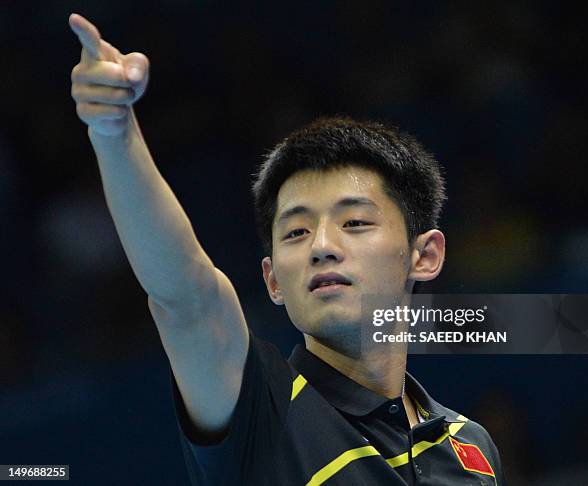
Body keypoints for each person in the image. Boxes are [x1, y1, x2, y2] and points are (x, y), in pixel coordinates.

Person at [69, 13, 505, 485]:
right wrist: (114, 134)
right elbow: (187, 298)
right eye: (295, 233)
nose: (321, 246)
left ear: (425, 256)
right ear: (273, 278)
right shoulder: (259, 408)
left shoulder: (471, 445)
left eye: (354, 222)